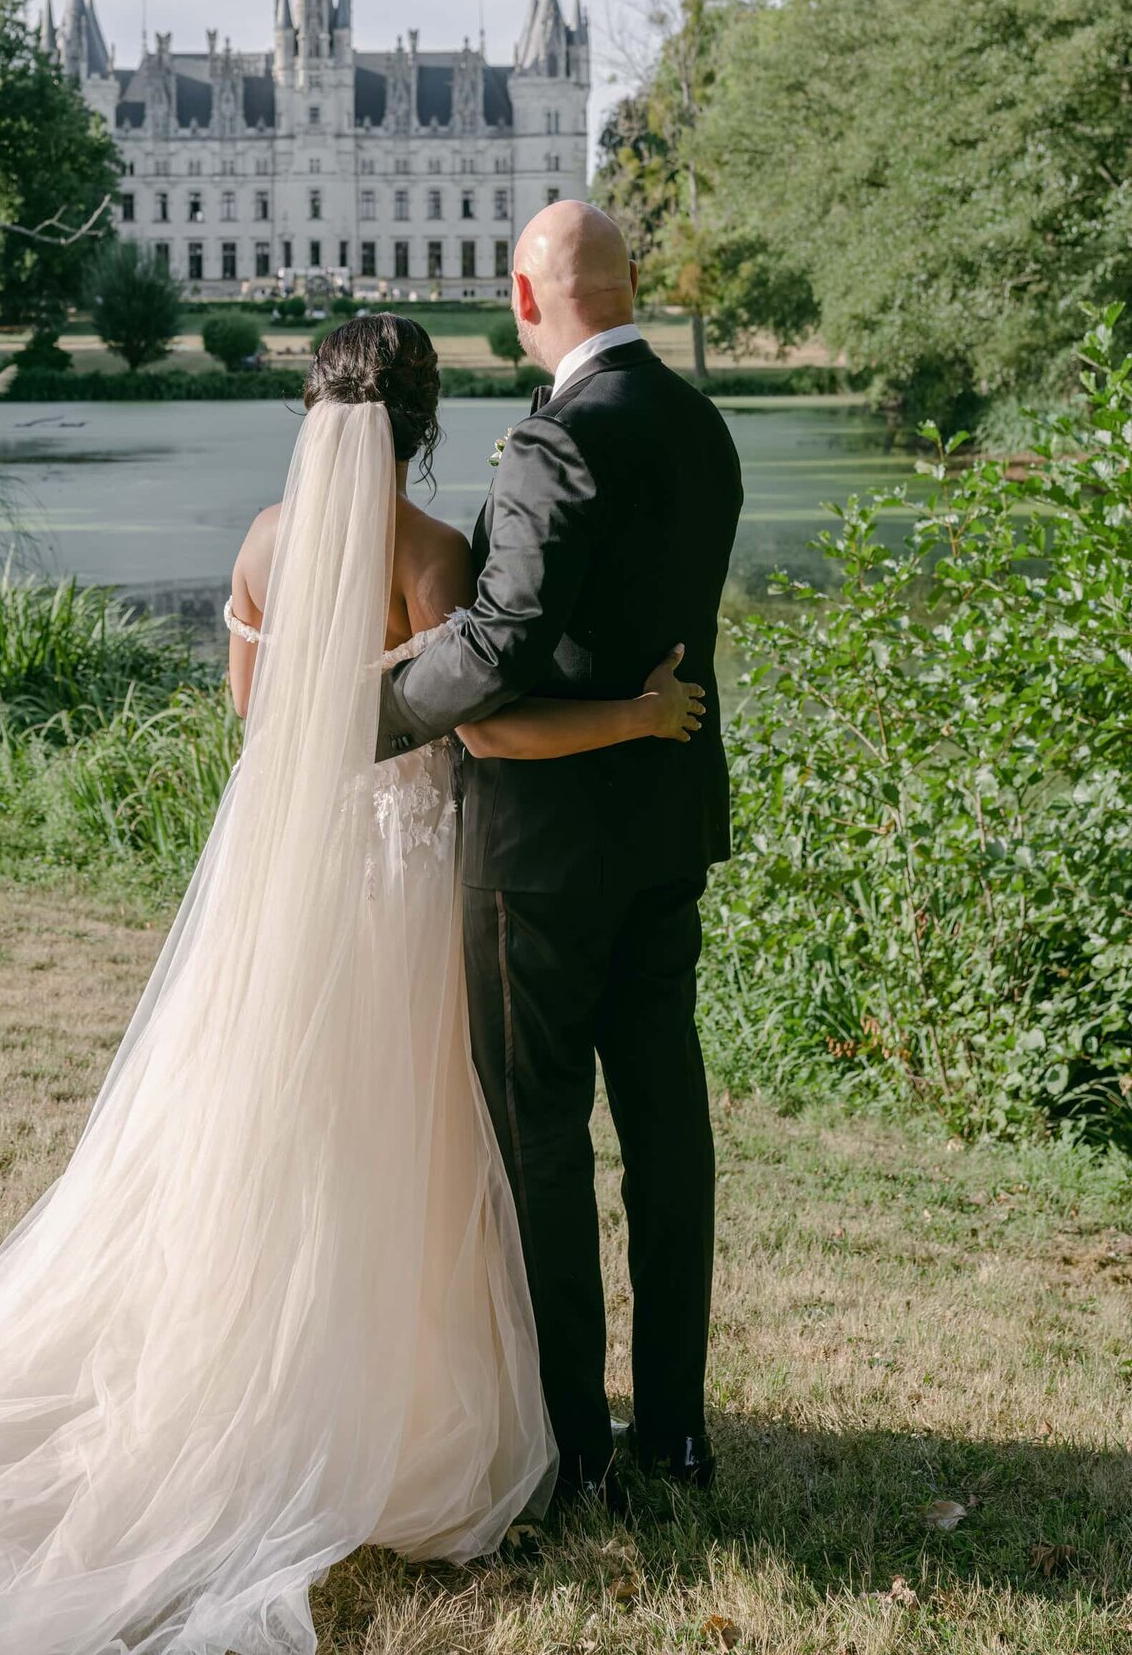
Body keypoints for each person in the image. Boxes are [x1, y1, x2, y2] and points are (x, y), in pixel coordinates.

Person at [0, 309, 702, 1655]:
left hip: (292, 875)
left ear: (313, 416)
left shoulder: (268, 544)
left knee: (275, 1135)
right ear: (428, 421)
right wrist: (628, 715)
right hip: (404, 877)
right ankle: (391, 1402)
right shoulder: (436, 554)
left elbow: (250, 717)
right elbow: (483, 722)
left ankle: (265, 1371)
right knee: (410, 1143)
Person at [377, 200, 745, 1508]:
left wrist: (358, 712)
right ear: (626, 288)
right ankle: (680, 1434)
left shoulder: (555, 439)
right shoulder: (701, 425)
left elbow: (501, 644)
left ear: (526, 304)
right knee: (665, 1125)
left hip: (541, 852)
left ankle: (575, 1444)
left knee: (539, 1137)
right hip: (666, 827)